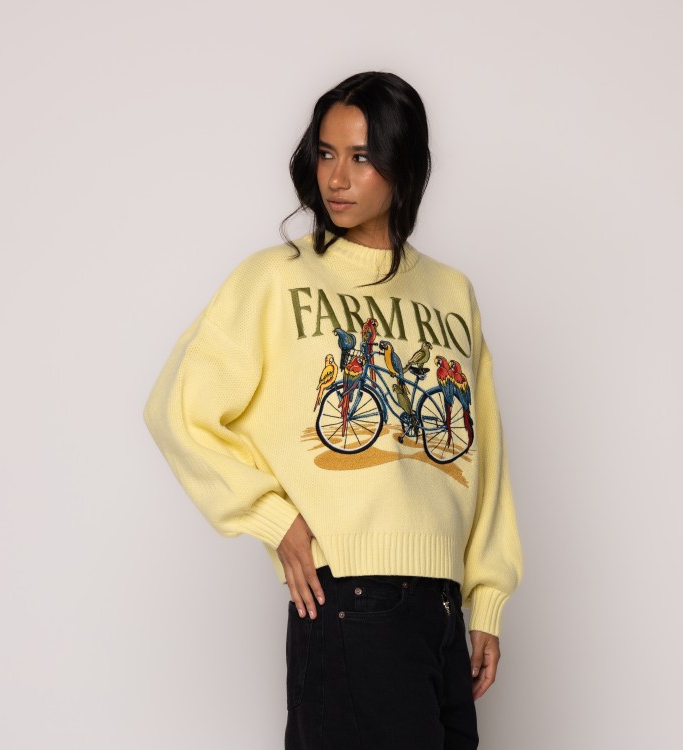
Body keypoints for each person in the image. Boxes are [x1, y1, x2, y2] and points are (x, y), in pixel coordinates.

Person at [143, 71, 522, 749]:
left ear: (403, 164)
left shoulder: (451, 292)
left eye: (361, 156)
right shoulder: (276, 277)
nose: (337, 178)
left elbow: (482, 450)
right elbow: (178, 410)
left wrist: (486, 600)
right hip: (349, 601)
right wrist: (274, 517)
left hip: (441, 609)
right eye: (325, 153)